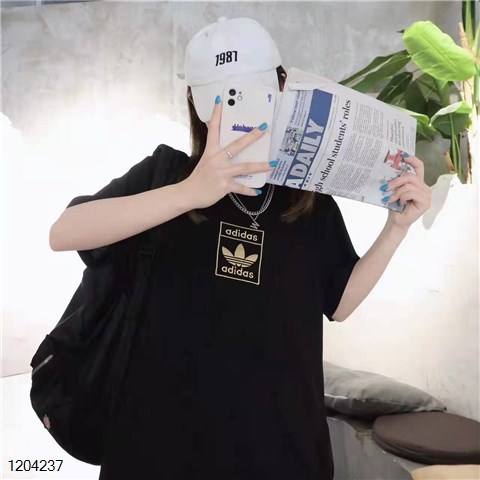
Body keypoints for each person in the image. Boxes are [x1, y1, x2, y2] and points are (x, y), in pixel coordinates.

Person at [49, 16, 432, 480]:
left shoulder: (308, 203)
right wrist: (189, 193)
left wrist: (396, 229)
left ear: (284, 89)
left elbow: (340, 302)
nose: (239, 115)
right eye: (223, 99)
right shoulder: (165, 176)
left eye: (252, 95)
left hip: (281, 447)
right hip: (158, 447)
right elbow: (64, 232)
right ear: (196, 103)